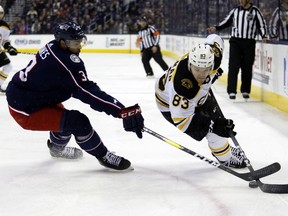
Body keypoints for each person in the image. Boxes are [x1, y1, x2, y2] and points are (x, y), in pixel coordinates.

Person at [5, 21, 144, 171]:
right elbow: (87, 91)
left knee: (63, 121)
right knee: (78, 122)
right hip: (26, 109)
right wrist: (120, 110)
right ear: (63, 43)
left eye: (80, 41)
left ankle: (56, 149)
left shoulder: (53, 46)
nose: (79, 46)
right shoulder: (67, 62)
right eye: (74, 42)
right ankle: (103, 156)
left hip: (32, 96)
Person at [155, 38, 246, 168]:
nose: (201, 74)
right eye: (197, 69)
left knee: (217, 118)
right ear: (190, 64)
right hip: (170, 105)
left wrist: (212, 76)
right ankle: (225, 158)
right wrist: (212, 126)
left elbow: (215, 38)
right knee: (215, 129)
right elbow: (182, 121)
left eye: (205, 69)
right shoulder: (182, 89)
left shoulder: (215, 55)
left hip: (195, 94)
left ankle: (224, 148)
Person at [207, 0, 268, 100]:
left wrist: (264, 35)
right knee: (233, 66)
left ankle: (245, 90)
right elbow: (226, 22)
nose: (240, 1)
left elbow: (261, 25)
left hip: (249, 42)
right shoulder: (235, 10)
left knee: (247, 67)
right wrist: (216, 28)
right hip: (236, 42)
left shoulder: (255, 11)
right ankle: (231, 91)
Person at [0, 5, 18, 93]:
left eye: (1, 13)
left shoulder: (5, 26)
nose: (0, 15)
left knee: (8, 66)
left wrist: (10, 48)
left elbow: (5, 41)